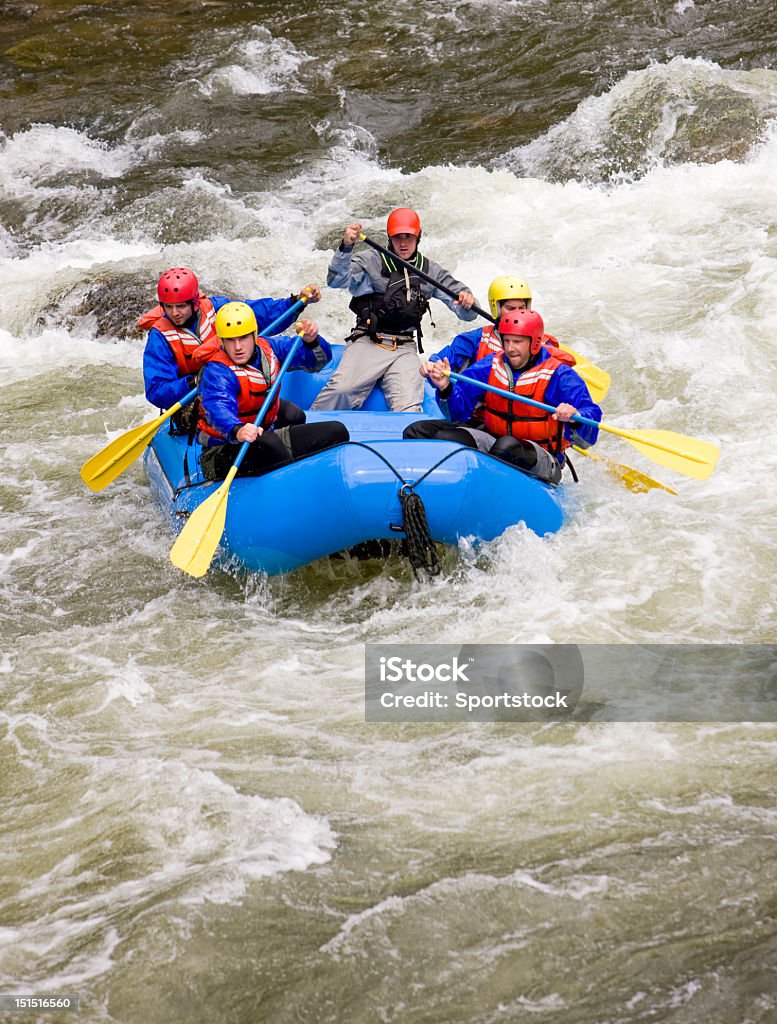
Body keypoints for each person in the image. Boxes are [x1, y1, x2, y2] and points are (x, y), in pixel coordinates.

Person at [403, 309, 601, 485]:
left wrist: (574, 416)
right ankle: (423, 489)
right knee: (420, 432)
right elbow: (458, 413)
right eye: (506, 341)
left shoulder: (559, 375)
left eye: (517, 342)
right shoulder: (492, 364)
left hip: (541, 455)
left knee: (506, 447)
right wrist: (445, 388)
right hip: (494, 440)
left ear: (535, 343)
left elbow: (589, 427)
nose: (510, 348)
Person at [311, 208, 479, 412]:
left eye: (409, 237)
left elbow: (467, 314)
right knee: (341, 390)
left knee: (408, 406)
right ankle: (304, 432)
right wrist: (346, 248)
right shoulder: (370, 260)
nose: (403, 243)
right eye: (397, 237)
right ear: (389, 237)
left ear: (418, 237)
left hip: (405, 348)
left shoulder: (429, 270)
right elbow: (337, 280)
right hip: (370, 341)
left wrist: (467, 300)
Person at [141, 266, 321, 429]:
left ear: (194, 302)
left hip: (242, 392)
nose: (175, 313)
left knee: (294, 415)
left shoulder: (216, 308)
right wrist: (194, 381)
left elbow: (256, 313)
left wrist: (296, 302)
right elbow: (157, 391)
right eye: (169, 307)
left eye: (180, 306)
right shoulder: (160, 338)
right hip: (202, 403)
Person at [197, 302, 349, 481]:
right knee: (270, 445)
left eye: (243, 338)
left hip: (263, 437)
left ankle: (315, 480)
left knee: (336, 431)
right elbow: (218, 407)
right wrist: (236, 429)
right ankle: (294, 484)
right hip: (224, 449)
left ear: (254, 335)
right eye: (230, 340)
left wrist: (312, 342)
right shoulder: (216, 371)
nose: (238, 347)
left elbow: (316, 362)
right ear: (221, 341)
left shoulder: (269, 348)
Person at [428, 274, 563, 373]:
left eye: (521, 308)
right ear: (496, 309)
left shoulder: (544, 343)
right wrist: (434, 365)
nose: (516, 313)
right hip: (484, 409)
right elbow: (441, 359)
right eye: (510, 309)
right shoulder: (475, 339)